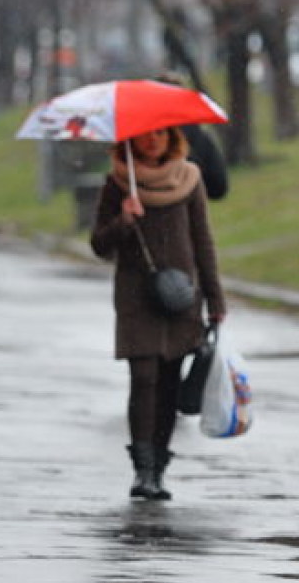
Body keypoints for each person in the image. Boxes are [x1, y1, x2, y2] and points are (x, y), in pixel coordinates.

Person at [90, 126, 226, 501]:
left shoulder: (190, 178)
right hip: (137, 297)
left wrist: (215, 299)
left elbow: (203, 241)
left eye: (161, 135)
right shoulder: (118, 183)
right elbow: (99, 244)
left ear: (173, 139)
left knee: (168, 382)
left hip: (182, 297)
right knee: (144, 377)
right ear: (130, 141)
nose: (152, 141)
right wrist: (124, 220)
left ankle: (161, 468)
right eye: (145, 136)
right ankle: (143, 470)